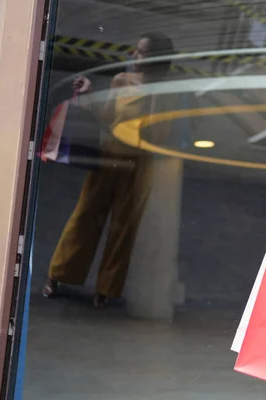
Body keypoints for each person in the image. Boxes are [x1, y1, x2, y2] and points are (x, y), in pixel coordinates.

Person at [42, 32, 179, 308]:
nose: (135, 56)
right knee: (85, 215)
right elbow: (108, 118)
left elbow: (158, 134)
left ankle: (106, 288)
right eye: (136, 50)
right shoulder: (121, 80)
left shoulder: (166, 93)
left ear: (156, 59)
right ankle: (57, 274)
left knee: (124, 226)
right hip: (109, 157)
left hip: (140, 165)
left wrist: (152, 93)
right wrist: (90, 93)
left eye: (142, 53)